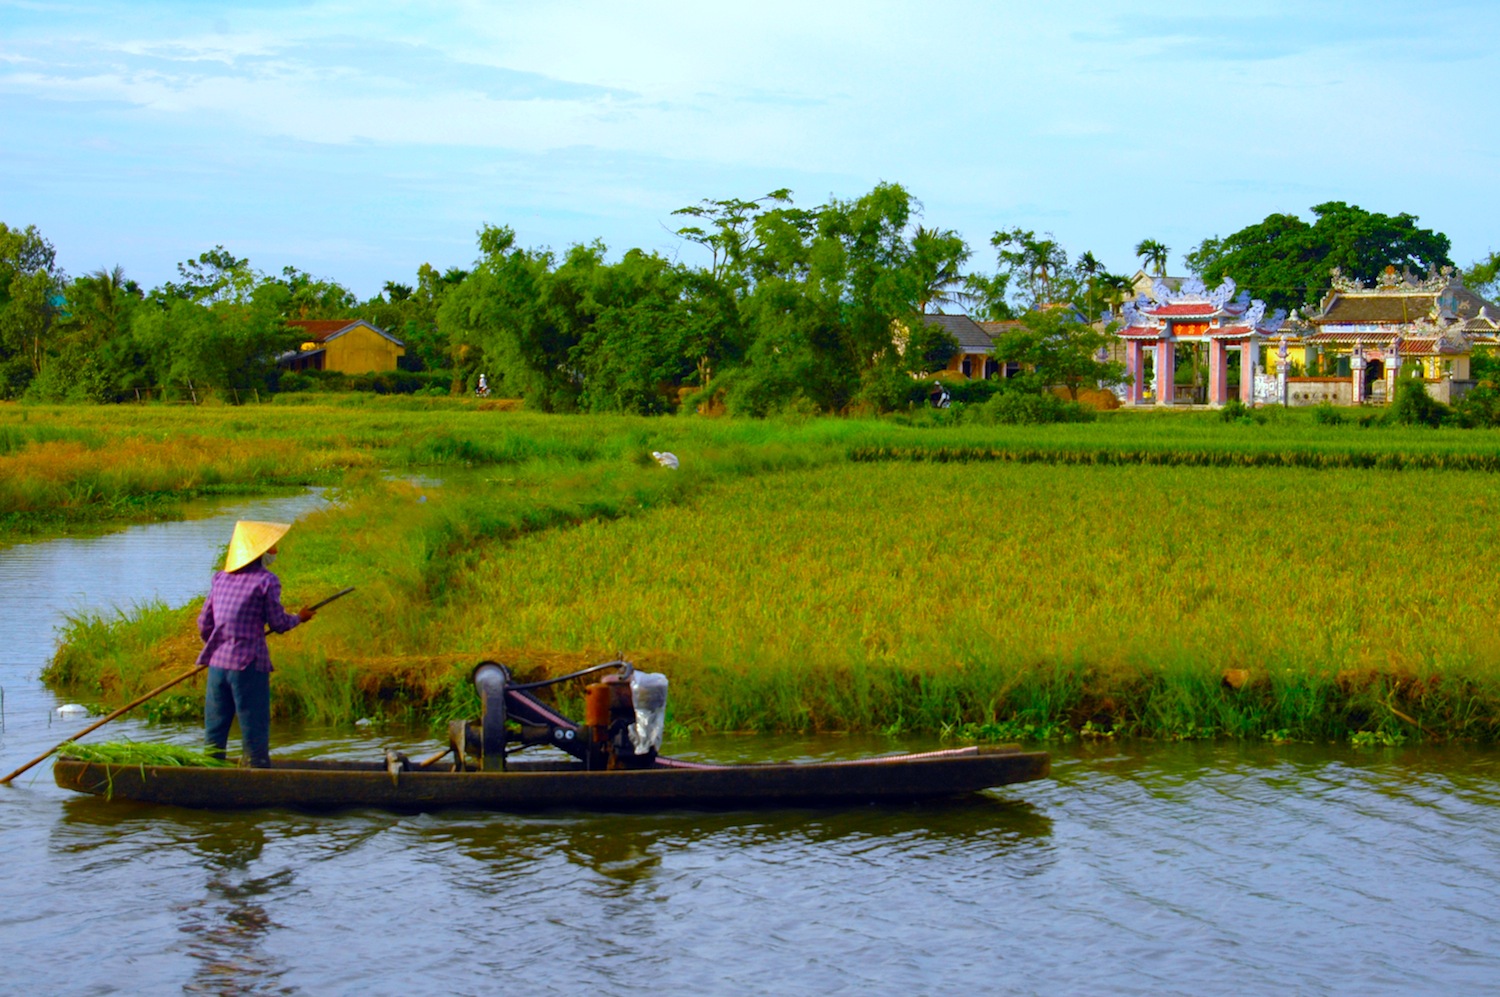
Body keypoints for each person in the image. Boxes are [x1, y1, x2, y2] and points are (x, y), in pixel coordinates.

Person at [198, 520, 315, 768]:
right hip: (249, 665)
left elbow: (204, 624)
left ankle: (210, 774)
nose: (275, 551)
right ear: (260, 553)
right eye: (271, 547)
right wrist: (299, 618)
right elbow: (279, 623)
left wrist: (222, 644)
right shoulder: (266, 581)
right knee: (254, 728)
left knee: (214, 733)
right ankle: (258, 772)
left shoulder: (220, 579)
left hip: (218, 665)